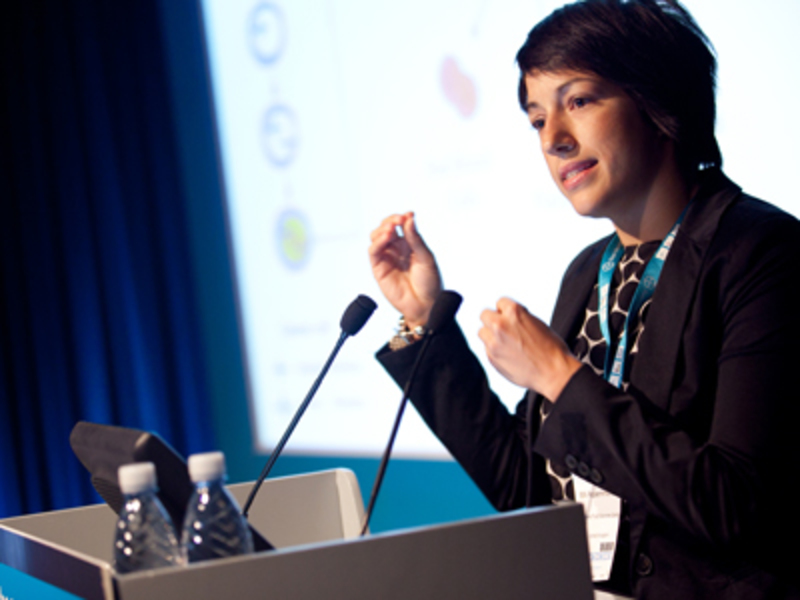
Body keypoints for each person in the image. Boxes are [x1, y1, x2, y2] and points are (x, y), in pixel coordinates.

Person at [367, 1, 800, 598]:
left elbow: (732, 502)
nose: (555, 140)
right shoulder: (588, 272)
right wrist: (424, 323)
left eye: (578, 102)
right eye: (537, 120)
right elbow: (526, 487)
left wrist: (561, 377)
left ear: (656, 102)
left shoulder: (761, 254)